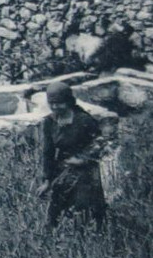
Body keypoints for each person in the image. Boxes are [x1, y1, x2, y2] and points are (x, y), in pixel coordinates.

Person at [38, 80, 109, 229]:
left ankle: (89, 237)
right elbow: (48, 152)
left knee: (84, 209)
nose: (55, 107)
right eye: (52, 104)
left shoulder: (83, 120)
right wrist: (46, 180)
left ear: (68, 101)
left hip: (86, 171)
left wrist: (83, 159)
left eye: (59, 103)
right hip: (63, 167)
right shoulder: (49, 122)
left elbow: (100, 142)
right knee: (55, 208)